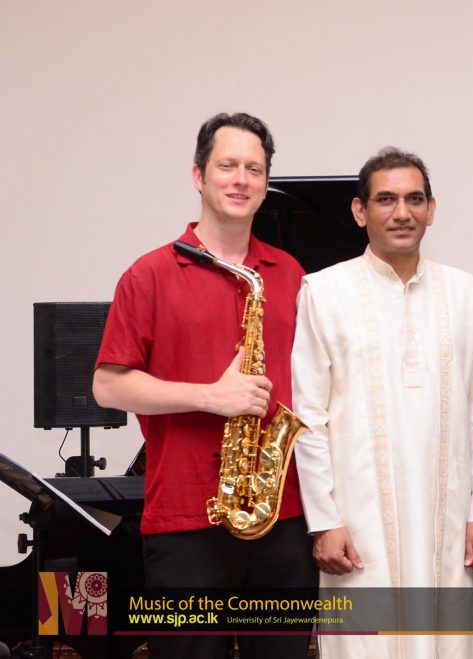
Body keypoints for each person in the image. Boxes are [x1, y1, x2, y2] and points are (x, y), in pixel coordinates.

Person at [93, 112, 317, 658]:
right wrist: (209, 397)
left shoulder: (291, 273)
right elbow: (107, 387)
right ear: (198, 175)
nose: (241, 180)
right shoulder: (148, 274)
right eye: (227, 166)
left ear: (266, 183)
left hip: (283, 516)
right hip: (186, 519)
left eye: (254, 169)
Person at [291, 147, 473, 659]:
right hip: (357, 522)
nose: (401, 212)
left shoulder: (466, 293)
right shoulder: (323, 291)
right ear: (360, 211)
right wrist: (324, 520)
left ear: (432, 209)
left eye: (414, 199)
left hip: (448, 519)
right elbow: (308, 418)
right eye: (386, 200)